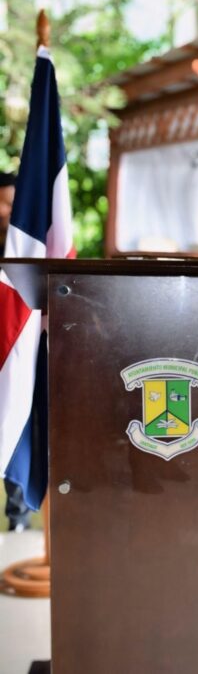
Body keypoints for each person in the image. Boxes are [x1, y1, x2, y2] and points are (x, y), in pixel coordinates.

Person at [0, 170, 31, 533]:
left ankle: (18, 519)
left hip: (15, 350)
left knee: (15, 426)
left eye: (9, 203)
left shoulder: (27, 250)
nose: (3, 210)